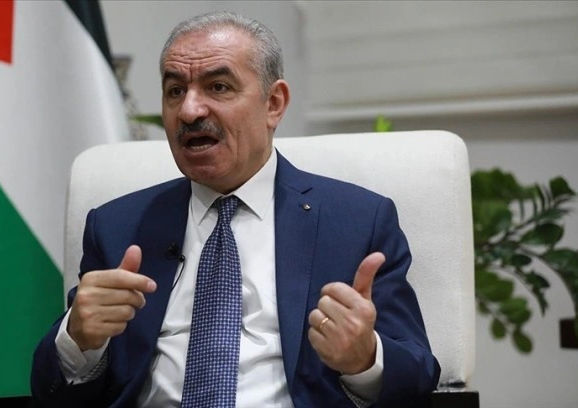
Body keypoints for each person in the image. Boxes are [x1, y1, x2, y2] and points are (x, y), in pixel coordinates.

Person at [31, 11, 440, 407]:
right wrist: (78, 339)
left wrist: (364, 358)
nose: (189, 111)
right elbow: (53, 390)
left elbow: (419, 376)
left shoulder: (357, 222)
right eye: (175, 91)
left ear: (273, 103)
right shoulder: (118, 226)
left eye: (218, 87)